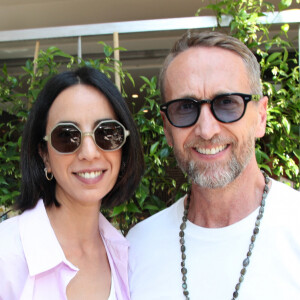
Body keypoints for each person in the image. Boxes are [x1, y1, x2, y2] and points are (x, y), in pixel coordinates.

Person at [127, 31, 300, 300]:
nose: (206, 130)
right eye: (185, 107)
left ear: (261, 116)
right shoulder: (137, 247)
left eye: (227, 103)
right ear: (167, 127)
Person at [0, 66, 144, 300]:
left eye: (106, 132)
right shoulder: (5, 253)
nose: (89, 153)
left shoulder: (126, 254)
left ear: (123, 149)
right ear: (44, 155)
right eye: (66, 136)